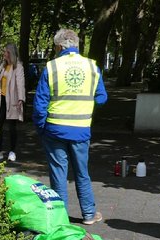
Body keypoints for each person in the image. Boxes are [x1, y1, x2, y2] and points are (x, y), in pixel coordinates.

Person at [32, 29, 108, 225]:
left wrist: (41, 128)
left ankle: (61, 218)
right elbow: (102, 98)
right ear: (76, 45)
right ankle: (89, 214)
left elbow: (40, 103)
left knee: (58, 174)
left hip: (55, 129)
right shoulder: (92, 67)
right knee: (82, 173)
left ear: (59, 46)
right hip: (81, 129)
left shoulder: (51, 67)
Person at [0, 43, 26, 162]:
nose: (3, 54)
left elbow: (20, 84)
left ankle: (12, 151)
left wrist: (21, 99)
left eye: (5, 52)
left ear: (10, 53)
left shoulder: (18, 66)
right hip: (2, 100)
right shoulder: (3, 66)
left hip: (12, 100)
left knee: (12, 127)